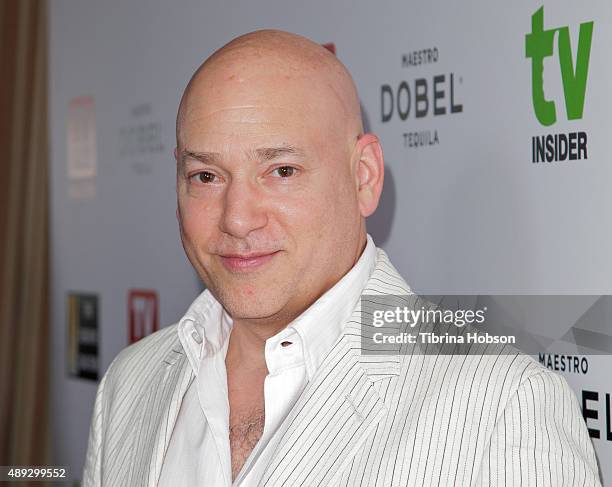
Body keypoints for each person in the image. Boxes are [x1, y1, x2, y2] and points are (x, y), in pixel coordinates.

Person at [82, 30, 601, 486]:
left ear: (364, 177)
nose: (237, 219)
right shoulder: (130, 381)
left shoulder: (504, 406)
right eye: (206, 176)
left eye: (281, 171)